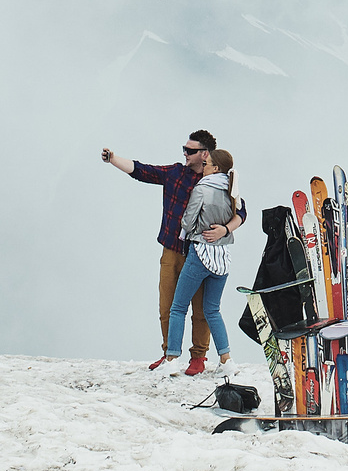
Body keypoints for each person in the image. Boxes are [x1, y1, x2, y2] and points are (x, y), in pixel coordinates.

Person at [101, 130, 247, 375]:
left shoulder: (220, 183)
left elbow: (241, 212)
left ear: (205, 155)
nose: (185, 154)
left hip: (200, 251)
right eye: (184, 149)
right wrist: (114, 159)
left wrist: (225, 229)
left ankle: (197, 357)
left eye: (190, 151)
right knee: (168, 305)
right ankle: (171, 353)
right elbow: (142, 171)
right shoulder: (176, 173)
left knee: (201, 309)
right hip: (174, 250)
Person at [162, 147, 241, 373]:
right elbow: (240, 214)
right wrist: (224, 230)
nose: (203, 169)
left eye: (206, 165)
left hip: (200, 252)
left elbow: (188, 221)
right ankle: (226, 360)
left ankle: (171, 360)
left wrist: (189, 230)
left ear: (215, 168)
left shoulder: (203, 188)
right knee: (212, 310)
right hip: (222, 255)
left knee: (178, 307)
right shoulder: (232, 188)